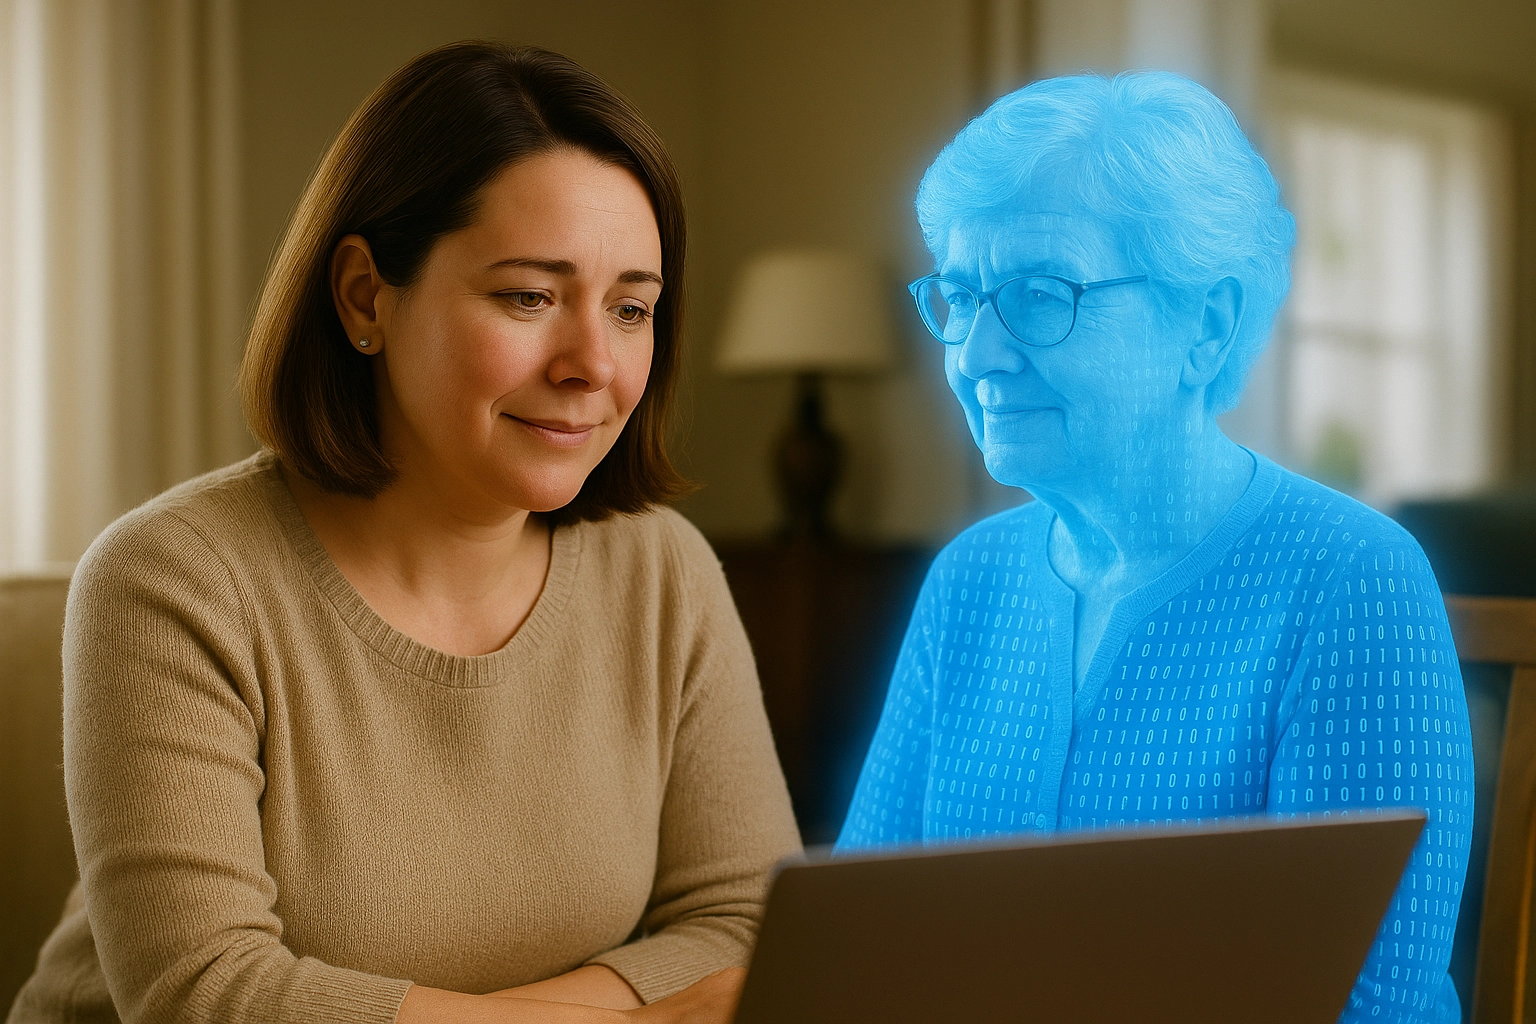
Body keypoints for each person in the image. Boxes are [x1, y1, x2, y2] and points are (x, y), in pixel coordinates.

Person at [9, 42, 799, 1024]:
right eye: (529, 296)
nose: (593, 363)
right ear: (363, 296)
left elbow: (745, 921)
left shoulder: (663, 571)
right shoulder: (172, 579)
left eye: (632, 307)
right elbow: (206, 994)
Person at [836, 71, 1472, 1023]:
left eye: (1042, 293)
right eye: (961, 298)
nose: (975, 354)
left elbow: (1366, 999)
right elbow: (858, 936)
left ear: (1206, 328)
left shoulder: (1353, 581)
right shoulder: (969, 579)